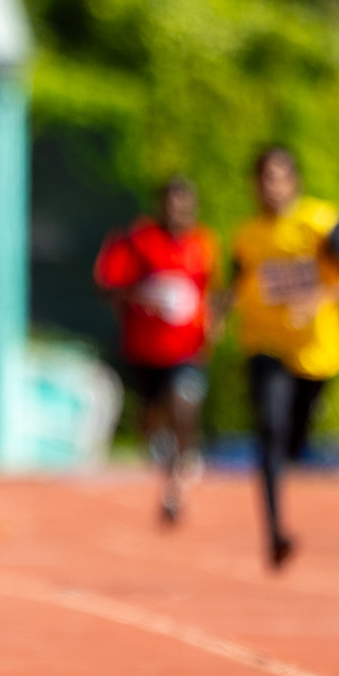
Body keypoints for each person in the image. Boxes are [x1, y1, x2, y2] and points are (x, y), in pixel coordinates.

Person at [227, 146, 339, 569]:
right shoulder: (246, 234)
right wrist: (216, 314)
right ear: (254, 186)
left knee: (293, 439)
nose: (271, 187)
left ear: (295, 182)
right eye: (263, 179)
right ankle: (275, 532)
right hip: (266, 346)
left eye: (278, 177)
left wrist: (319, 298)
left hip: (317, 352)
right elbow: (235, 283)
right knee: (270, 429)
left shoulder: (323, 224)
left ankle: (292, 447)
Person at [94, 177, 218, 525]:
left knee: (184, 403)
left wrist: (212, 321)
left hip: (187, 351)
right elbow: (106, 285)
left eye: (184, 204)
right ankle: (167, 458)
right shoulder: (136, 241)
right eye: (170, 203)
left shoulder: (203, 244)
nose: (177, 211)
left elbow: (211, 291)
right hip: (144, 350)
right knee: (150, 423)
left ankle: (176, 485)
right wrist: (144, 295)